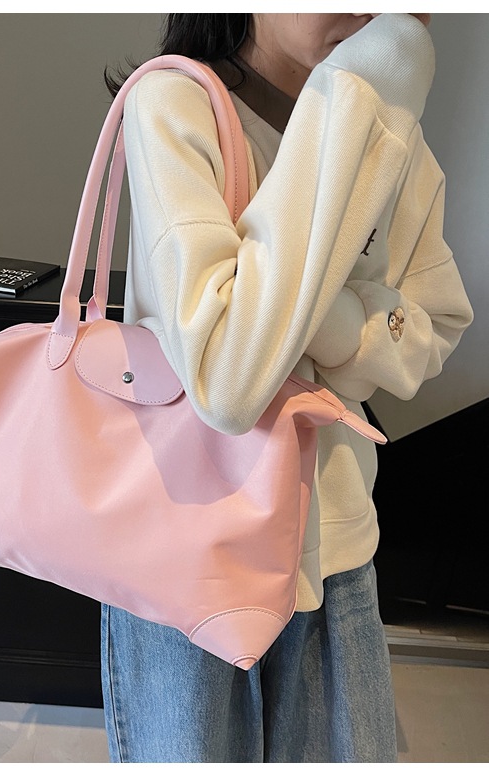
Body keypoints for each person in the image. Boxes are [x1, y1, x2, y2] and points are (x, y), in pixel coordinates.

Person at [100, 13, 474, 763]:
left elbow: (433, 326)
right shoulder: (175, 103)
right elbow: (228, 377)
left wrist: (320, 319)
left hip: (333, 543)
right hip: (187, 547)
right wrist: (350, 95)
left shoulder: (389, 135)